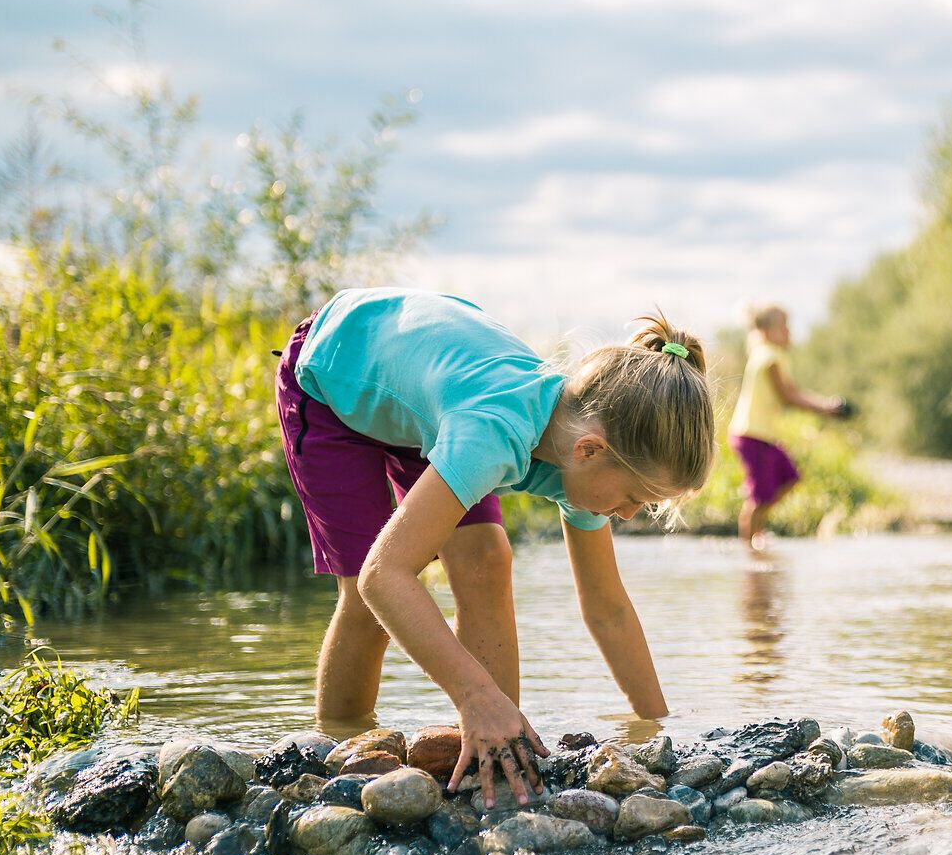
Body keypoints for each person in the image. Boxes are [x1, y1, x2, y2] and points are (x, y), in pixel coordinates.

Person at [274, 287, 713, 807]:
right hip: (335, 378)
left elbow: (609, 608)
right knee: (370, 603)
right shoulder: (494, 431)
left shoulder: (578, 453)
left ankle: (501, 760)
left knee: (486, 560)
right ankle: (340, 761)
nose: (627, 515)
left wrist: (656, 730)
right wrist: (474, 697)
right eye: (634, 497)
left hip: (432, 404)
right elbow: (382, 576)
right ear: (589, 451)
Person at [728, 303, 849, 548]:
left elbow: (791, 392)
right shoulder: (768, 356)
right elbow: (788, 396)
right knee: (760, 493)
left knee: (788, 477)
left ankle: (756, 534)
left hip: (763, 435)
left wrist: (825, 406)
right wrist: (827, 407)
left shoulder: (771, 354)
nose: (789, 333)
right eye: (783, 327)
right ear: (765, 331)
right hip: (752, 433)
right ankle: (748, 546)